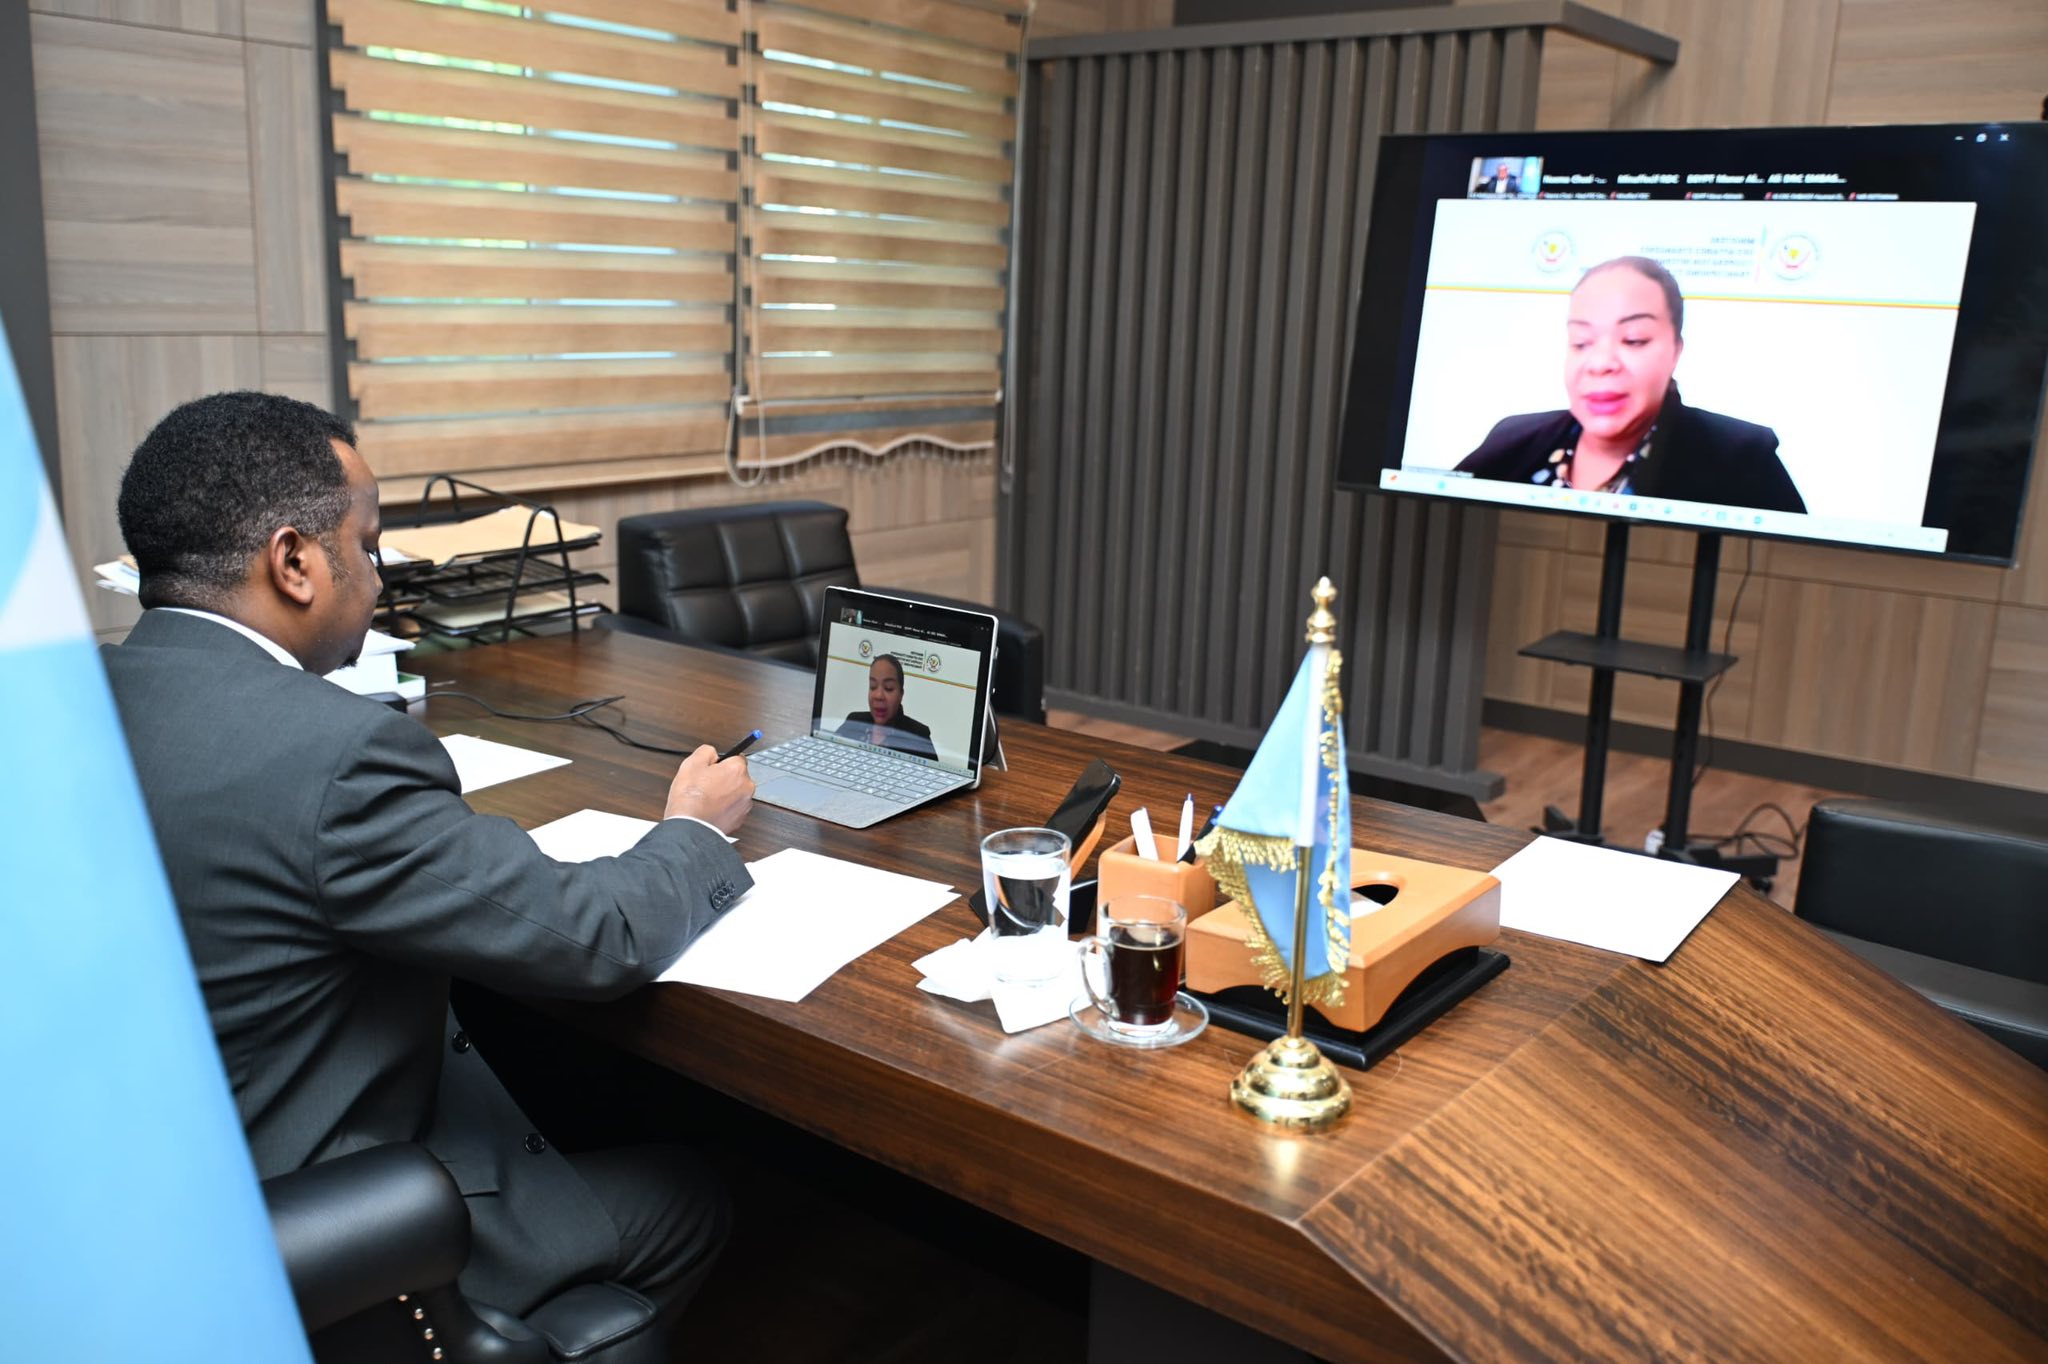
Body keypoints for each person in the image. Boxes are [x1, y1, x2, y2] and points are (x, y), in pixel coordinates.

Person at [101, 391, 755, 1349]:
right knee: (688, 1196)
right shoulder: (335, 755)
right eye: (368, 546)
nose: (380, 577)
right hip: (317, 1219)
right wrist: (694, 831)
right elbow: (595, 936)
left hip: (129, 1191)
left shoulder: (71, 701)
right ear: (293, 562)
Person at [1455, 255, 1806, 513]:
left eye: (1634, 339)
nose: (1601, 364)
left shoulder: (1742, 458)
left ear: (1676, 351)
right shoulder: (1512, 439)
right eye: (1581, 342)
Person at [838, 653, 937, 760]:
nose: (878, 696)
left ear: (901, 694)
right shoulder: (854, 722)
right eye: (873, 686)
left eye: (888, 688)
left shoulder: (918, 737)